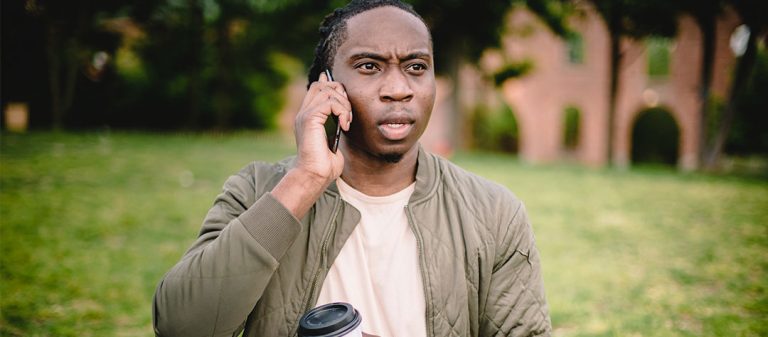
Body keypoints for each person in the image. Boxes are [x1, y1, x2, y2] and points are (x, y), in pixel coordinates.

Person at [152, 0, 551, 336]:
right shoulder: (258, 190)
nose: (399, 88)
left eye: (416, 67)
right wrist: (305, 180)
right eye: (369, 66)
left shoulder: (494, 212)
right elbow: (181, 325)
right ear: (325, 87)